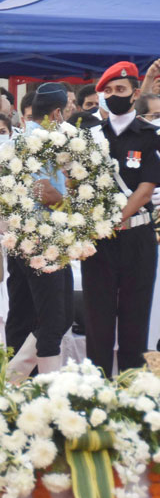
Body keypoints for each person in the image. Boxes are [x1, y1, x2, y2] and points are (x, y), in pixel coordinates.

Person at [81, 62, 160, 374]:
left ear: (135, 94)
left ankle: (131, 390)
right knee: (97, 319)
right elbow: (79, 184)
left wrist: (116, 219)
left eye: (120, 90)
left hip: (136, 236)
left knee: (134, 320)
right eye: (108, 91)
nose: (113, 95)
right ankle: (94, 388)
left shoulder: (150, 135)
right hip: (99, 241)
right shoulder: (88, 137)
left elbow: (145, 188)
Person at [4, 83, 74, 380]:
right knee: (55, 318)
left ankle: (13, 379)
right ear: (57, 112)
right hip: (42, 239)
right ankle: (40, 386)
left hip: (24, 237)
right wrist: (78, 197)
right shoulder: (43, 140)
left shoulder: (20, 138)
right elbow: (46, 192)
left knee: (29, 313)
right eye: (68, 110)